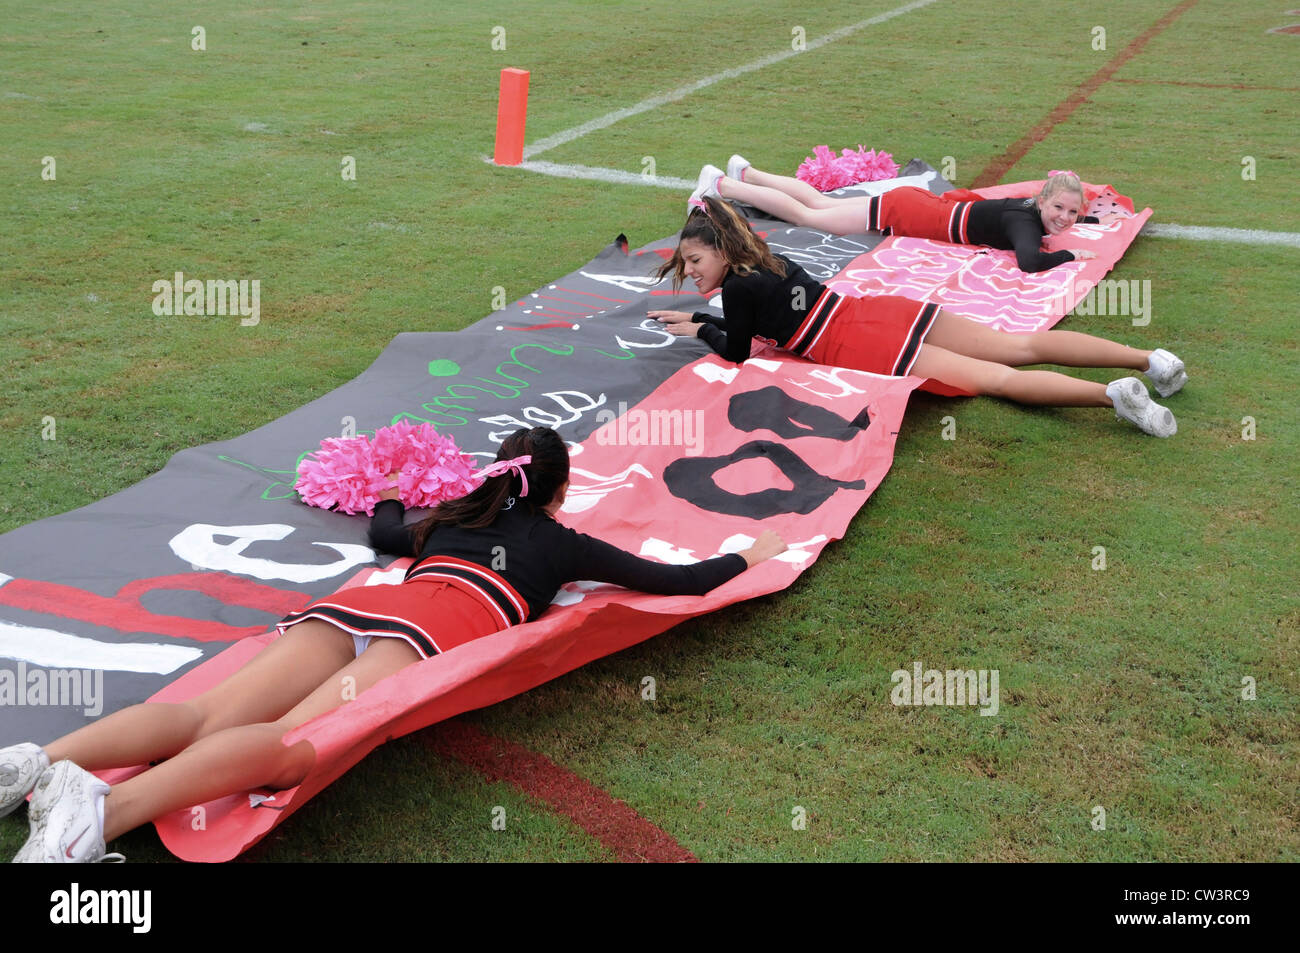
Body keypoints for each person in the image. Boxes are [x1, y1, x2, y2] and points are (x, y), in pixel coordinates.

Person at [2, 426, 787, 862]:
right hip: (424, 632)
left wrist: (385, 482)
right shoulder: (562, 541)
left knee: (204, 713)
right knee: (285, 744)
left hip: (357, 612)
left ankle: (38, 763)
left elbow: (383, 527)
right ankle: (100, 814)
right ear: (556, 491)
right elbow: (668, 581)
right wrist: (746, 557)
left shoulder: (450, 519)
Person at [649, 197, 1186, 437]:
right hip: (877, 310)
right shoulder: (769, 257)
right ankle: (1151, 359)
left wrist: (703, 327)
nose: (691, 273)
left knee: (999, 380)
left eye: (695, 262)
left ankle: (1109, 396)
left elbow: (738, 351)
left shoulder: (736, 291)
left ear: (721, 250)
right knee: (1019, 345)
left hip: (858, 343)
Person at [691, 157, 1128, 273]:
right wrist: (1070, 257)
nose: (1065, 218)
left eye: (1073, 212)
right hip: (906, 208)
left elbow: (1048, 228)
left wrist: (1087, 222)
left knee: (821, 205)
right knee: (810, 216)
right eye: (1059, 208)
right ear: (1042, 200)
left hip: (916, 204)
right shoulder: (1023, 223)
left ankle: (743, 171)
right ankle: (722, 186)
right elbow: (1032, 261)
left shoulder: (1030, 210)